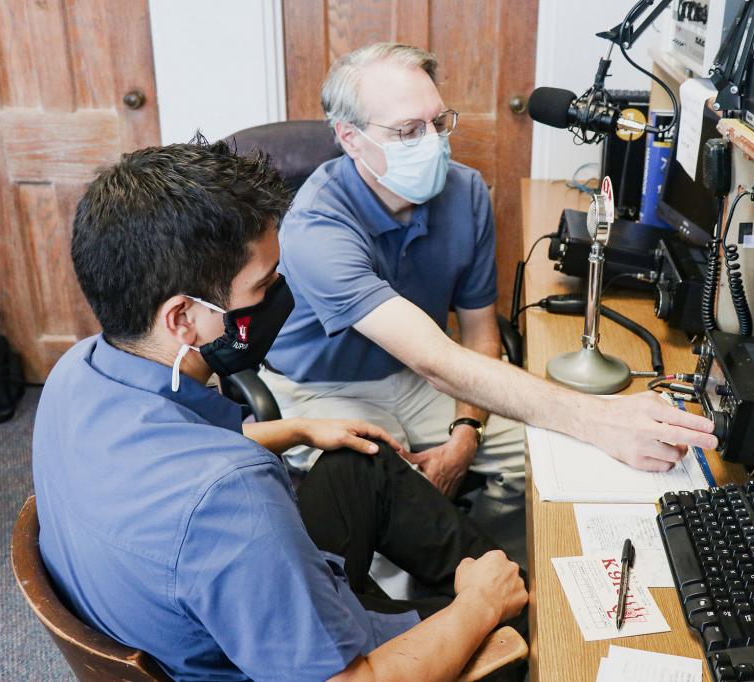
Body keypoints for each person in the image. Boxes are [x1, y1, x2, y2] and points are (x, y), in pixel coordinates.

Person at [32, 140, 526, 681]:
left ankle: (491, 583)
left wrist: (297, 429)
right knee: (513, 632)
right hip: (300, 665)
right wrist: (479, 607)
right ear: (182, 319)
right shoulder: (233, 500)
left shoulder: (78, 371)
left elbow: (167, 475)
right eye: (264, 284)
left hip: (193, 608)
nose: (278, 296)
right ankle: (509, 601)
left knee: (363, 458)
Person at [263, 43, 719, 537]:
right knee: (397, 495)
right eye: (408, 130)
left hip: (421, 378)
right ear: (350, 139)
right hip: (322, 389)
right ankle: (416, 600)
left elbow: (480, 334)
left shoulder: (466, 192)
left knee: (545, 454)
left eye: (437, 122)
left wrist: (466, 434)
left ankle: (498, 569)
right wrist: (597, 417)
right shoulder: (315, 227)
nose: (433, 142)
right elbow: (435, 358)